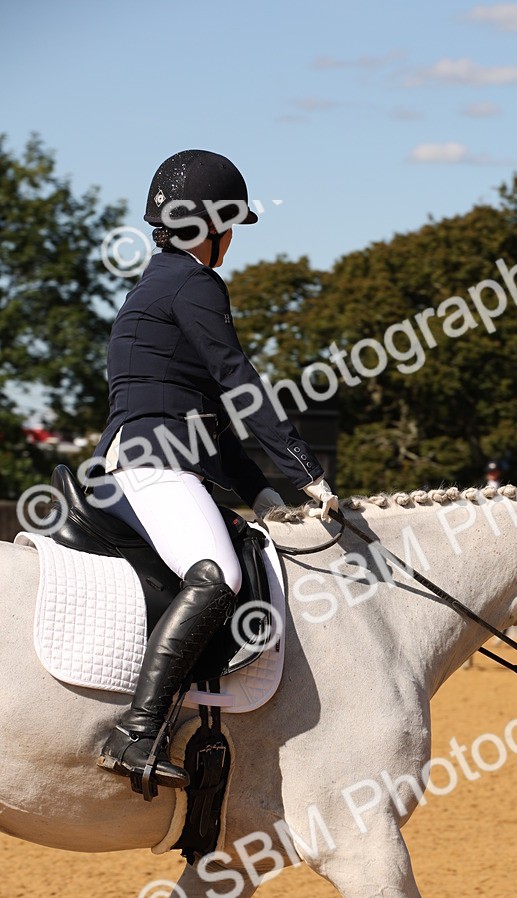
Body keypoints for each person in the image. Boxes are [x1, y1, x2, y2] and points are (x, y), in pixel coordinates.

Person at [92, 149, 338, 791]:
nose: (232, 242)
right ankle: (138, 731)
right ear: (210, 226)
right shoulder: (195, 284)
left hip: (152, 457)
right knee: (219, 573)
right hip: (154, 465)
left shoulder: (157, 285)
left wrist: (266, 499)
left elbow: (211, 427)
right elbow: (240, 383)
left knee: (239, 548)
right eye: (231, 226)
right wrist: (308, 472)